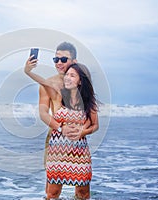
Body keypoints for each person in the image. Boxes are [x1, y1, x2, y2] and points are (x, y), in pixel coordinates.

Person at [25, 61, 99, 199]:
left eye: (72, 75)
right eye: (67, 75)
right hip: (57, 152)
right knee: (52, 194)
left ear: (80, 81)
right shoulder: (58, 93)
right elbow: (42, 83)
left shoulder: (88, 102)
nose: (67, 78)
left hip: (80, 154)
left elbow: (95, 125)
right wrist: (28, 71)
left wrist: (83, 132)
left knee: (83, 194)